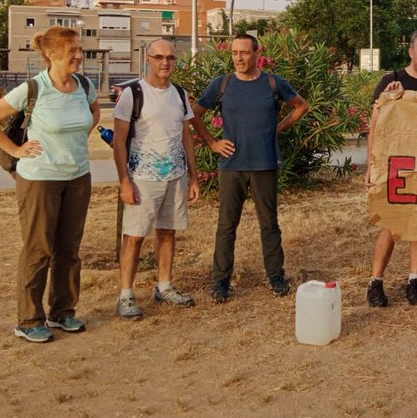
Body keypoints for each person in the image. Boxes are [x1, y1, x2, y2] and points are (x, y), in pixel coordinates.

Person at [0, 26, 100, 342]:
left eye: (79, 49)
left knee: (69, 250)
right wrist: (16, 150)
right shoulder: (34, 88)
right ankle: (30, 320)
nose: (78, 55)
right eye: (71, 50)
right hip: (40, 180)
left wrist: (77, 140)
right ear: (50, 53)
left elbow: (94, 112)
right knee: (39, 249)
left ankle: (63, 313)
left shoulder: (85, 85)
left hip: (78, 178)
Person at [192, 33, 309, 303]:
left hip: (265, 163)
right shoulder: (222, 84)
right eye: (234, 53)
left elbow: (301, 106)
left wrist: (278, 129)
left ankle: (276, 277)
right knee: (226, 225)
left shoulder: (272, 83)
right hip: (231, 165)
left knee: (269, 223)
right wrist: (212, 142)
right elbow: (195, 113)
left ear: (257, 54)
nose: (239, 58)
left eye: (244, 52)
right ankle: (221, 281)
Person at [112, 39, 200, 319]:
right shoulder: (133, 94)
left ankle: (164, 286)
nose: (166, 62)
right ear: (148, 59)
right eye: (159, 57)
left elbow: (186, 134)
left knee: (167, 231)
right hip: (142, 178)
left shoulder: (179, 94)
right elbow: (119, 141)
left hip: (175, 176)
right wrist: (124, 180)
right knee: (135, 236)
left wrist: (194, 177)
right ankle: (126, 295)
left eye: (171, 58)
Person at [365, 28, 417, 308]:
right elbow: (375, 124)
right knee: (391, 223)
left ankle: (413, 280)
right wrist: (371, 166)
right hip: (395, 165)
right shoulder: (392, 80)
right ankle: (375, 282)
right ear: (411, 51)